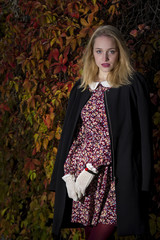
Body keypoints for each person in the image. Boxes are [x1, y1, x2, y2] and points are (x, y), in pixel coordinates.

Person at [49, 25, 153, 240]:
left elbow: (136, 136)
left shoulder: (132, 85)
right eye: (99, 51)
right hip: (84, 181)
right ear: (91, 53)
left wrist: (92, 167)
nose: (104, 57)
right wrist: (69, 175)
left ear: (119, 52)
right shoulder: (81, 88)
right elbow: (74, 136)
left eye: (111, 51)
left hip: (116, 178)